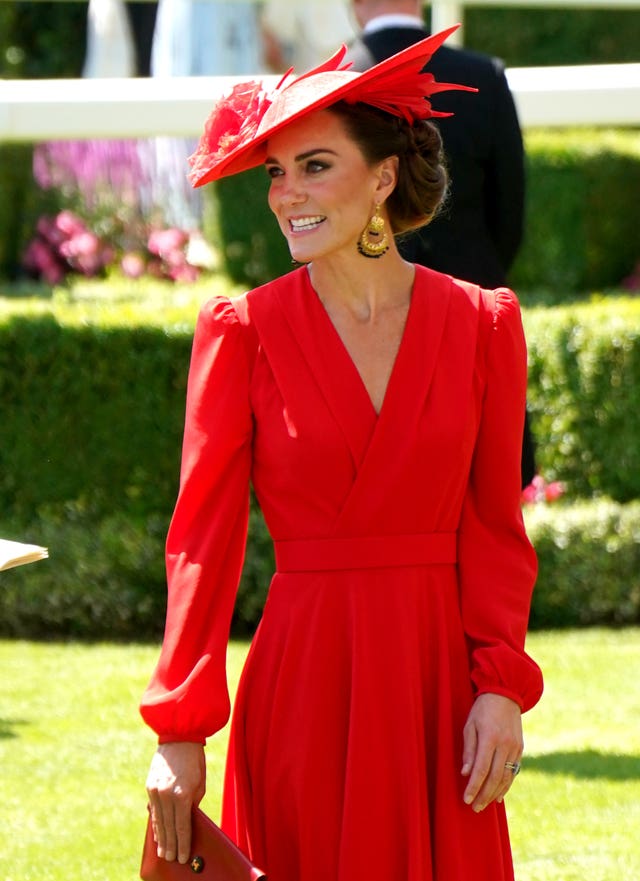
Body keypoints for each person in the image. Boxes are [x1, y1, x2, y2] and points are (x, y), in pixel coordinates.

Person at [141, 25, 543, 881]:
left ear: (384, 177)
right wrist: (180, 731)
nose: (287, 194)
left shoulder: (484, 325)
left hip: (440, 692)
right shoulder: (240, 333)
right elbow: (200, 545)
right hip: (303, 685)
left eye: (314, 165)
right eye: (276, 173)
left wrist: (501, 685)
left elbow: (495, 527)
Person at [345, 0, 536, 486]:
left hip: (359, 334)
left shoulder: (331, 83)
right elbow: (509, 215)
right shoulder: (483, 76)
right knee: (487, 492)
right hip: (471, 316)